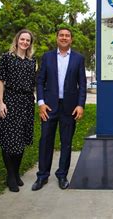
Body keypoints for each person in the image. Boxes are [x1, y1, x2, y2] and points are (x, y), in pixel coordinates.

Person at [32, 27, 87, 191]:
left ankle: (62, 175)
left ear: (71, 39)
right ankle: (42, 176)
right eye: (61, 35)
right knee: (45, 141)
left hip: (69, 108)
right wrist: (41, 102)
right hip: (48, 107)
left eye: (67, 36)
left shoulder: (78, 58)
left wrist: (80, 105)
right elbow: (40, 81)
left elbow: (82, 84)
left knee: (67, 143)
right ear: (57, 38)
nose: (64, 38)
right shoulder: (47, 57)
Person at [0, 29, 36, 192]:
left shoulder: (31, 62)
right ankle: (10, 175)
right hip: (10, 101)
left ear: (30, 44)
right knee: (9, 139)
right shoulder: (7, 58)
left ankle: (16, 173)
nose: (25, 42)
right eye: (22, 39)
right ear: (17, 40)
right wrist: (1, 103)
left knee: (21, 140)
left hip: (26, 103)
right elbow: (0, 81)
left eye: (28, 40)